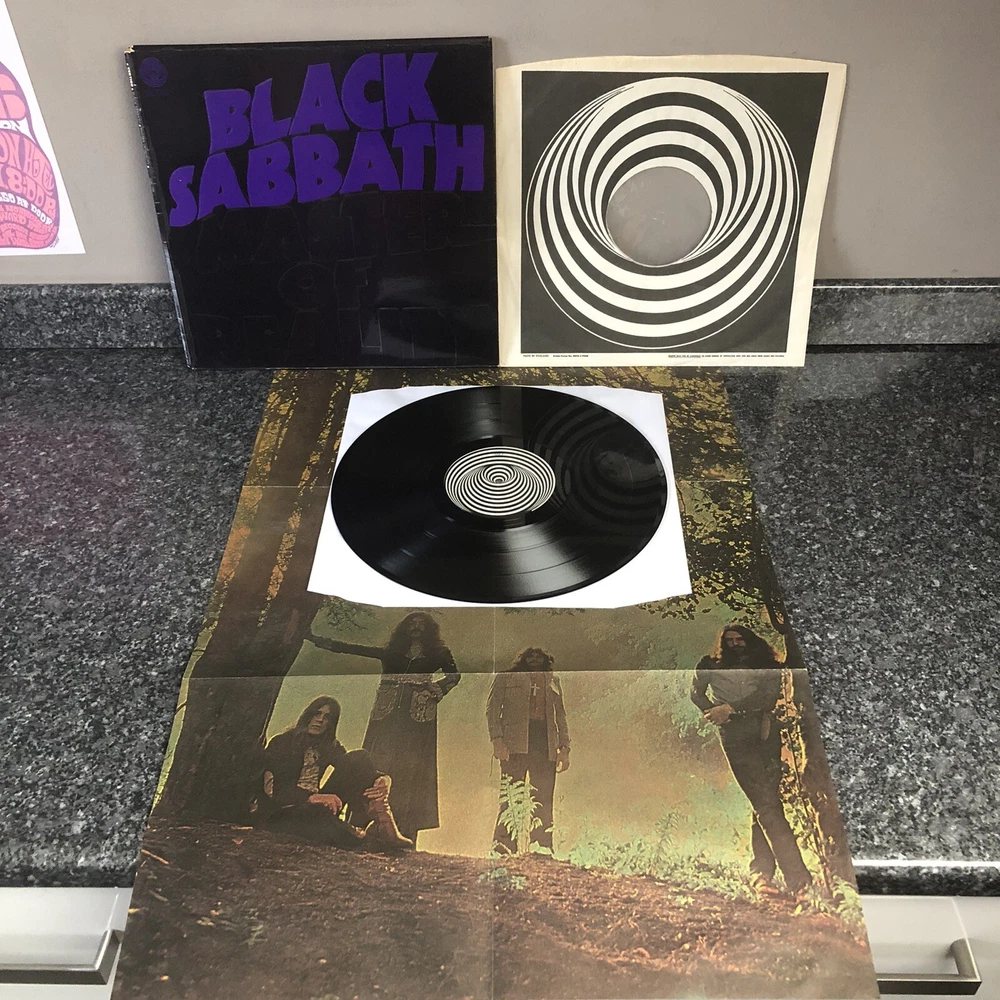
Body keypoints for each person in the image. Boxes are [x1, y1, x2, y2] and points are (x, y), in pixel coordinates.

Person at [309, 613, 460, 845]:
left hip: (418, 717)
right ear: (404, 627)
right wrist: (321, 641)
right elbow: (356, 649)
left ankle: (402, 829)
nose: (416, 627)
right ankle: (361, 823)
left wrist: (435, 690)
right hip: (386, 714)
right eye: (412, 623)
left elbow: (454, 675)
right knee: (375, 762)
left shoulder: (438, 653)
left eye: (421, 624)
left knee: (412, 769)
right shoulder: (392, 652)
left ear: (429, 629)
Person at [691, 625, 812, 895]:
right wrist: (714, 712)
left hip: (765, 731)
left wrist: (730, 707)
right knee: (765, 803)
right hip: (733, 734)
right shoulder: (710, 664)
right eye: (729, 641)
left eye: (740, 639)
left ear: (750, 641)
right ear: (722, 643)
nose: (735, 644)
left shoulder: (766, 663)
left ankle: (762, 873)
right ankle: (798, 882)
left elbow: (767, 696)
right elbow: (696, 693)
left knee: (766, 802)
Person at [256, 696, 412, 849]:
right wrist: (313, 797)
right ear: (307, 716)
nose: (320, 720)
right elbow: (273, 791)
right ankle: (363, 836)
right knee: (319, 815)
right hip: (283, 813)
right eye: (317, 714)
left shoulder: (329, 746)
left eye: (327, 718)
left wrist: (383, 779)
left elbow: (354, 768)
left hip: (317, 808)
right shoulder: (281, 742)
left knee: (359, 757)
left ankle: (383, 821)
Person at [487, 647, 570, 855]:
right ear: (522, 659)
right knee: (511, 796)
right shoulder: (506, 678)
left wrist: (564, 748)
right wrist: (497, 740)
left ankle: (541, 848)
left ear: (546, 659)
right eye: (530, 656)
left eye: (538, 656)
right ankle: (503, 848)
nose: (534, 659)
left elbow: (560, 715)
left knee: (543, 797)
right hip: (514, 744)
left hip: (545, 743)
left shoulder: (552, 680)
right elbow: (493, 710)